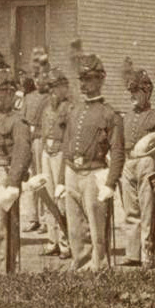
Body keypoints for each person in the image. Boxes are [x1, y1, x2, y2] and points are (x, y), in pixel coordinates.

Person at [58, 53, 125, 271]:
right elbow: (66, 147)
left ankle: (99, 270)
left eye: (89, 79)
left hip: (94, 173)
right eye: (82, 79)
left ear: (101, 80)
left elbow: (117, 151)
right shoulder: (74, 110)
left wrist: (110, 183)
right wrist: (60, 180)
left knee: (97, 229)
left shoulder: (109, 114)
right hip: (72, 172)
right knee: (75, 228)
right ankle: (80, 267)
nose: (84, 84)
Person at [0, 67, 32, 273]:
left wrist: (13, 181)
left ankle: (6, 272)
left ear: (10, 93)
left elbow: (22, 152)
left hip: (3, 172)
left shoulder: (17, 121)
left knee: (4, 227)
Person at [119, 69, 155, 269]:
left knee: (147, 209)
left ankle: (147, 254)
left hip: (148, 163)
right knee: (130, 209)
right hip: (129, 161)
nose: (132, 95)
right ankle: (132, 253)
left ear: (147, 92)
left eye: (136, 91)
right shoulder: (126, 117)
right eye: (131, 91)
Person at [38, 67, 72, 258]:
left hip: (60, 152)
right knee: (48, 197)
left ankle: (66, 244)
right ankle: (52, 241)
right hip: (47, 152)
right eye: (51, 88)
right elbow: (43, 131)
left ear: (64, 88)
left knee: (61, 200)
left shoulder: (68, 108)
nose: (53, 92)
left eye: (56, 87)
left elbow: (68, 135)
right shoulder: (45, 107)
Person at [20, 53, 51, 233]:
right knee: (30, 179)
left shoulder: (50, 98)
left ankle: (46, 219)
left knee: (42, 178)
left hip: (42, 140)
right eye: (36, 76)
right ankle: (33, 217)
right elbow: (22, 119)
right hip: (29, 141)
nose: (39, 80)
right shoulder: (28, 97)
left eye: (43, 76)